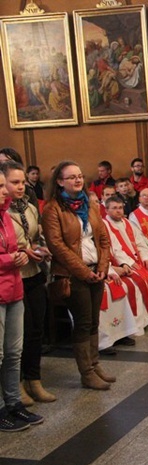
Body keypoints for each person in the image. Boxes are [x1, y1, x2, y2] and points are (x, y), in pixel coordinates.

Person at [42, 160, 116, 391]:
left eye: (80, 176)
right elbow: (57, 246)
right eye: (72, 177)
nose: (78, 180)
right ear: (60, 182)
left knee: (93, 320)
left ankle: (95, 365)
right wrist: (84, 272)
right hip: (72, 275)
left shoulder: (90, 205)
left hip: (96, 270)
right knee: (83, 322)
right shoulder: (53, 209)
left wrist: (103, 266)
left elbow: (103, 238)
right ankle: (86, 373)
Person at [4, 161, 56, 404]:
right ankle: (17, 384)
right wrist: (26, 249)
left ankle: (34, 380)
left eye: (23, 182)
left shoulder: (29, 208)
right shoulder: (5, 212)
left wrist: (41, 247)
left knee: (37, 329)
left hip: (34, 272)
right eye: (15, 183)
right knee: (19, 335)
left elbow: (38, 234)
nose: (21, 187)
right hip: (15, 276)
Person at [0, 167, 44, 432]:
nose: (6, 190)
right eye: (3, 186)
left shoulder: (6, 215)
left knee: (14, 353)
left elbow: (15, 247)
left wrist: (24, 255)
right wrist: (10, 260)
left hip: (14, 289)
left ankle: (14, 404)